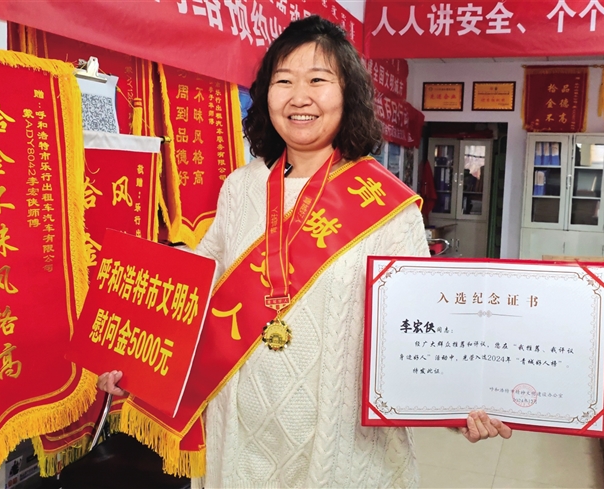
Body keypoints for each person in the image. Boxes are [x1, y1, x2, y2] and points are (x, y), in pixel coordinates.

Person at [98, 15, 510, 488]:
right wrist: (132, 350)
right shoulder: (241, 187)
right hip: (242, 433)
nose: (299, 97)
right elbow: (202, 278)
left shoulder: (387, 206)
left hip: (342, 444)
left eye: (318, 80)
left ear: (348, 94)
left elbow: (420, 328)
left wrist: (456, 404)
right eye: (284, 81)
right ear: (266, 94)